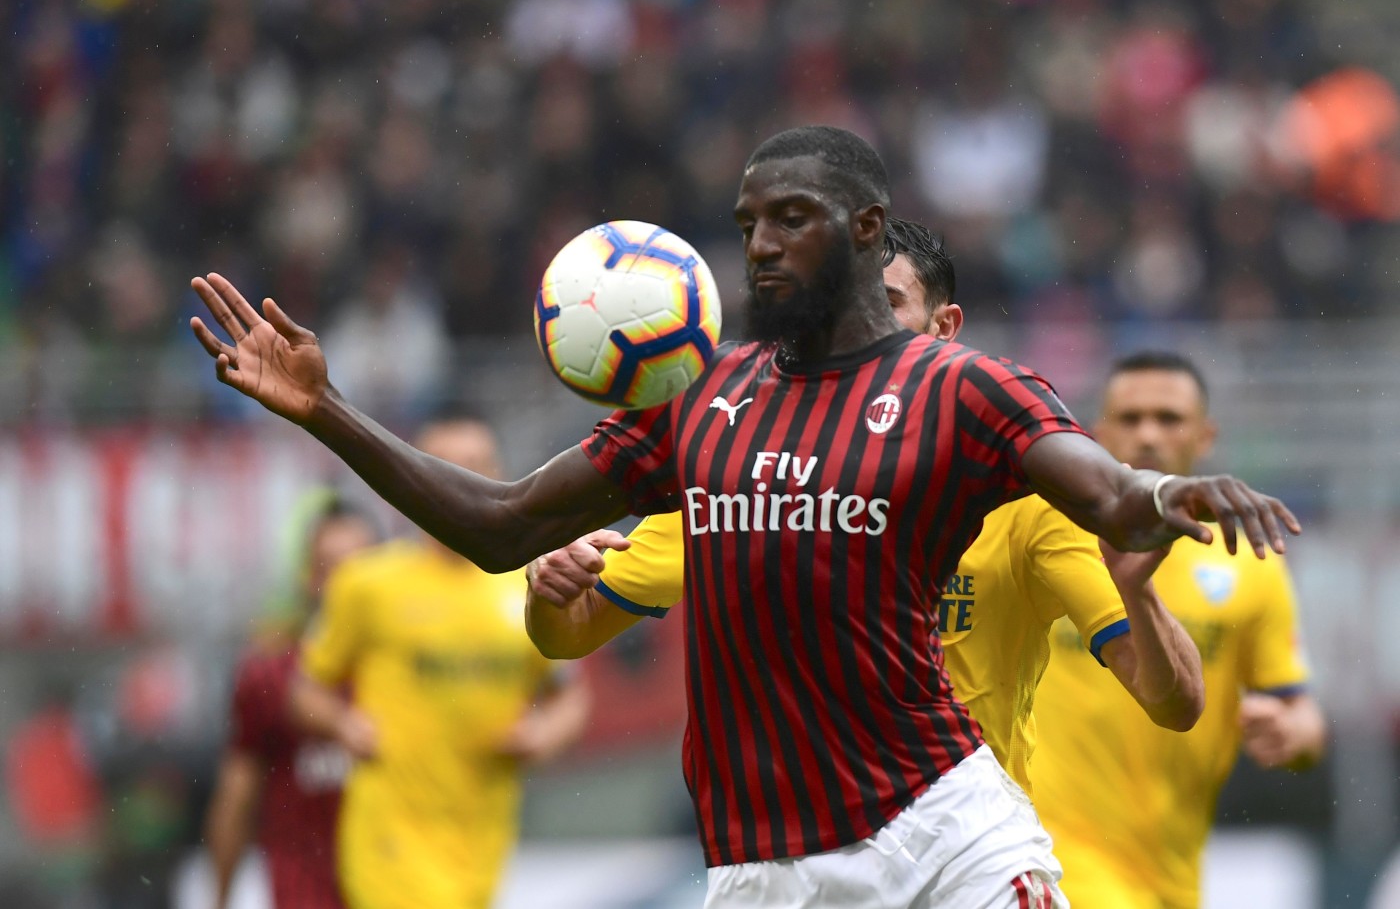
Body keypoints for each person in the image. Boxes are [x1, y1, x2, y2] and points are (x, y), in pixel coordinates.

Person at [189, 125, 1298, 909]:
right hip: (760, 868)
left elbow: (1101, 491)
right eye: (746, 222)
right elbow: (500, 523)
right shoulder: (697, 403)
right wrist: (325, 411)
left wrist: (1166, 494)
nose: (760, 243)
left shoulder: (958, 388)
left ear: (865, 230)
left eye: (791, 218)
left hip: (941, 828)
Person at [524, 217, 1206, 799]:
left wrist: (1137, 595)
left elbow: (1169, 701)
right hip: (796, 857)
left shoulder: (1025, 500)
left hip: (958, 862)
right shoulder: (745, 472)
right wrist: (552, 591)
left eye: (885, 303)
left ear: (944, 327)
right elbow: (569, 634)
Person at [1027, 350, 1327, 909]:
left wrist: (1292, 735)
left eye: (1168, 419)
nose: (1147, 435)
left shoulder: (1250, 562)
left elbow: (1301, 711)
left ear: (1205, 435)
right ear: (1096, 433)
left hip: (1173, 877)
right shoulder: (1049, 537)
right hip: (1053, 859)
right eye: (1130, 418)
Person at [288, 411, 593, 909]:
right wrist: (345, 725)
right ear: (421, 481)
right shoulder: (367, 583)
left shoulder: (532, 585)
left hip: (482, 838)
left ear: (501, 476)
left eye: (477, 465)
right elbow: (305, 691)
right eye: (447, 467)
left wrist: (543, 736)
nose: (464, 482)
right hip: (391, 837)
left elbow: (571, 697)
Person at [204, 492, 380, 909]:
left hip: (397, 884)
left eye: (360, 566)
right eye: (330, 567)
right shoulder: (268, 676)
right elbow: (236, 798)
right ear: (308, 577)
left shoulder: (408, 669)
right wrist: (220, 898)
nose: (346, 582)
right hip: (305, 890)